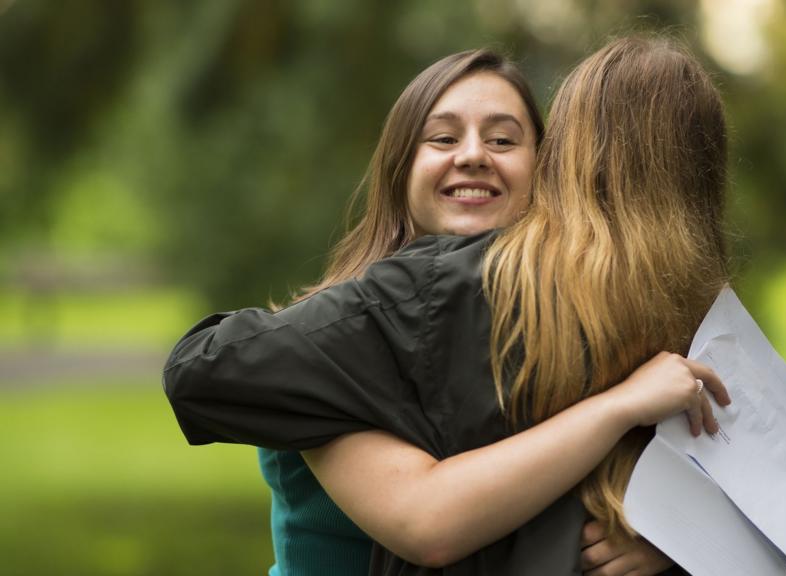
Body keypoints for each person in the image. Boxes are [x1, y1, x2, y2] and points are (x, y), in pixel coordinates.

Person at [165, 36, 731, 574]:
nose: (473, 156)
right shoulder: (358, 333)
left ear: (547, 169)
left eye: (504, 140)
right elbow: (432, 516)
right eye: (441, 138)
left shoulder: (574, 321)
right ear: (399, 168)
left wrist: (671, 533)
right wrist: (621, 408)